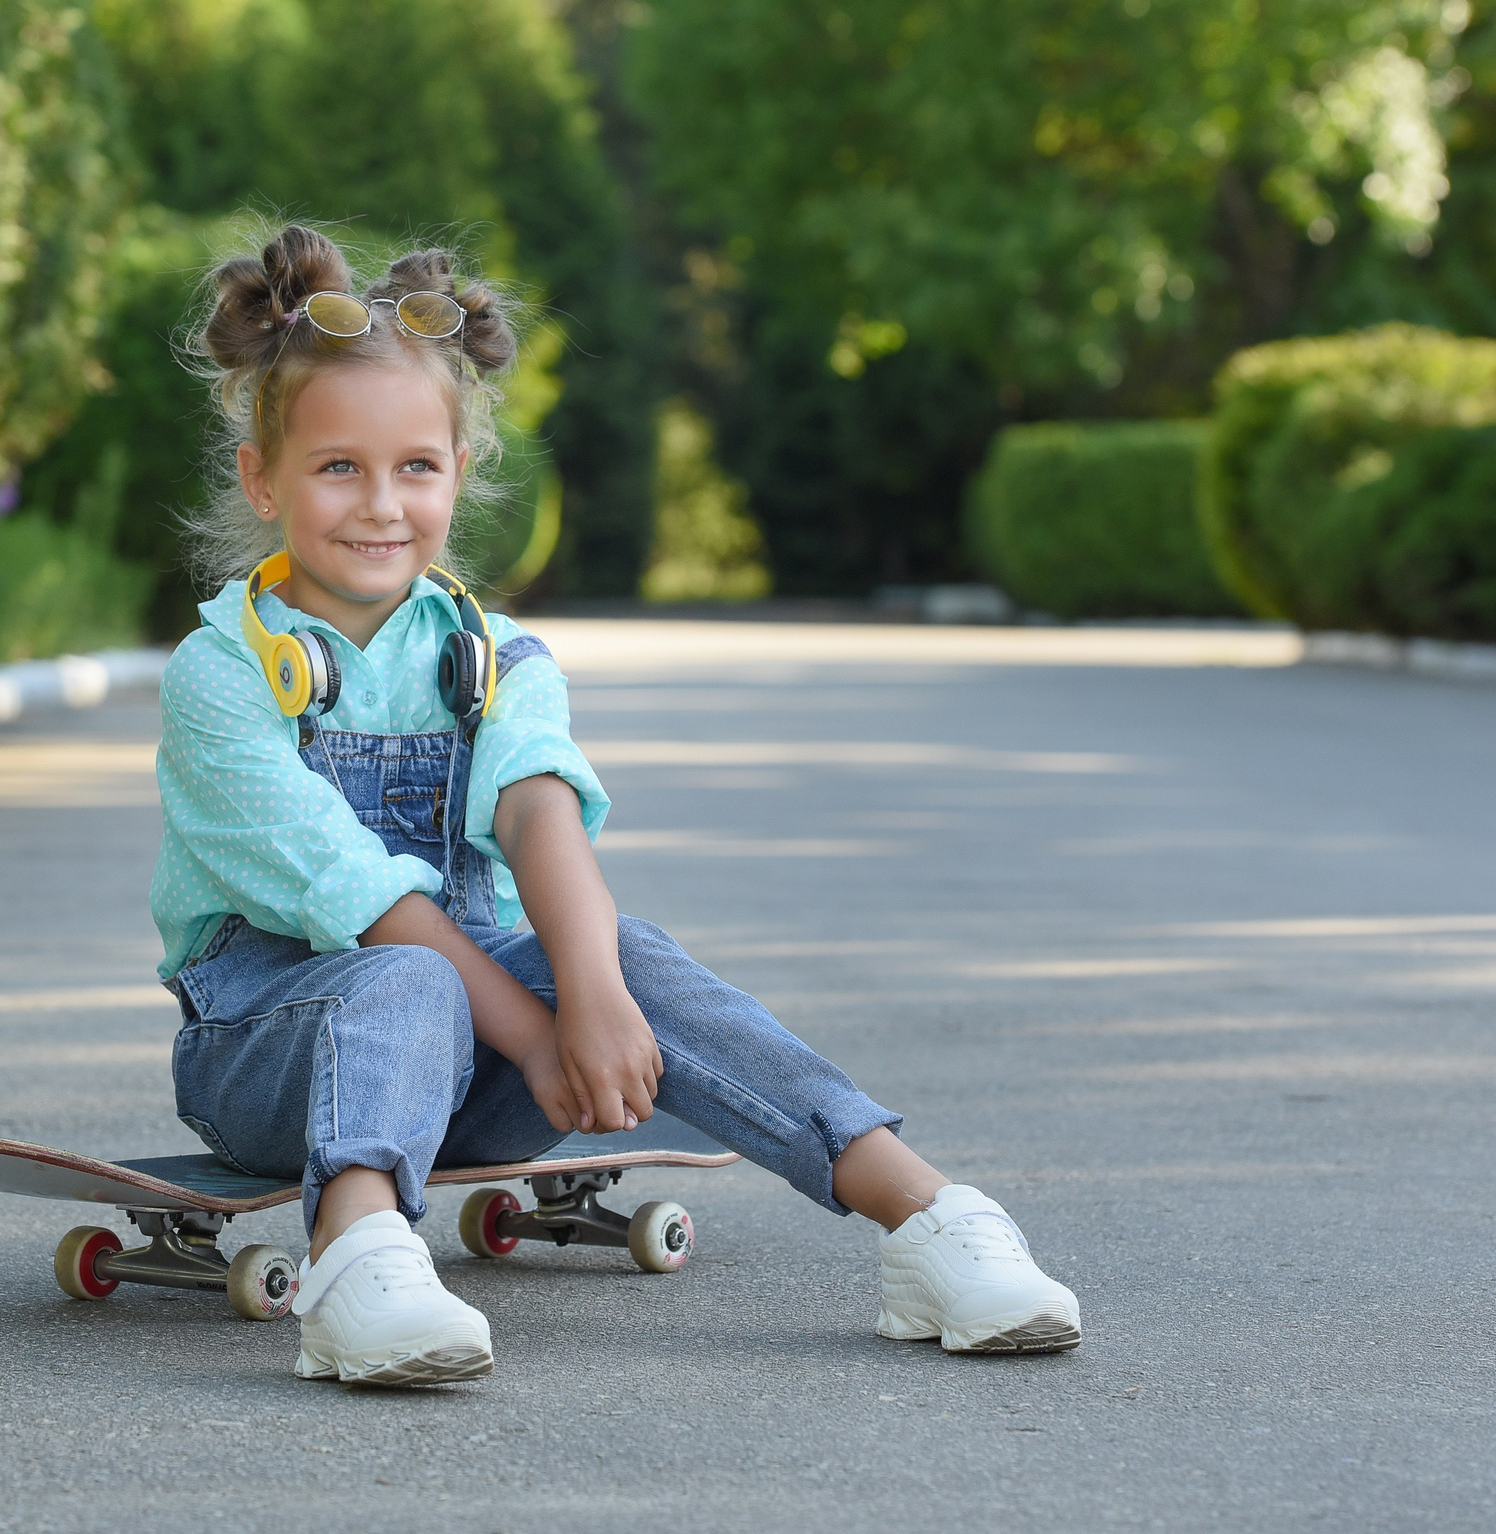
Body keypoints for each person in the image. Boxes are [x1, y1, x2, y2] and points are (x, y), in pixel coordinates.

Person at [154, 225, 1081, 1386]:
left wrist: (591, 997)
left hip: (479, 1075)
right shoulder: (222, 673)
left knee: (624, 950)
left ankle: (929, 1222)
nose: (380, 504)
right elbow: (359, 894)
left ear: (459, 469)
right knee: (407, 970)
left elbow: (540, 812)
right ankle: (357, 1253)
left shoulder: (497, 656)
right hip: (270, 1061)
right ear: (262, 477)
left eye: (417, 467)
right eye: (338, 466)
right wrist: (544, 1031)